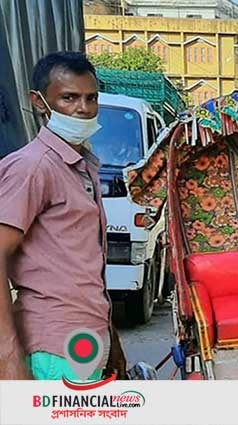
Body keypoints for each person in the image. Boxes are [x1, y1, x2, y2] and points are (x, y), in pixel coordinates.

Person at [0, 52, 126, 380]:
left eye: (91, 98)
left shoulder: (80, 166)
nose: (83, 109)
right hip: (53, 346)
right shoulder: (34, 167)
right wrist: (8, 357)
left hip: (83, 341)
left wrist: (110, 337)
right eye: (69, 98)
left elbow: (81, 267)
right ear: (39, 102)